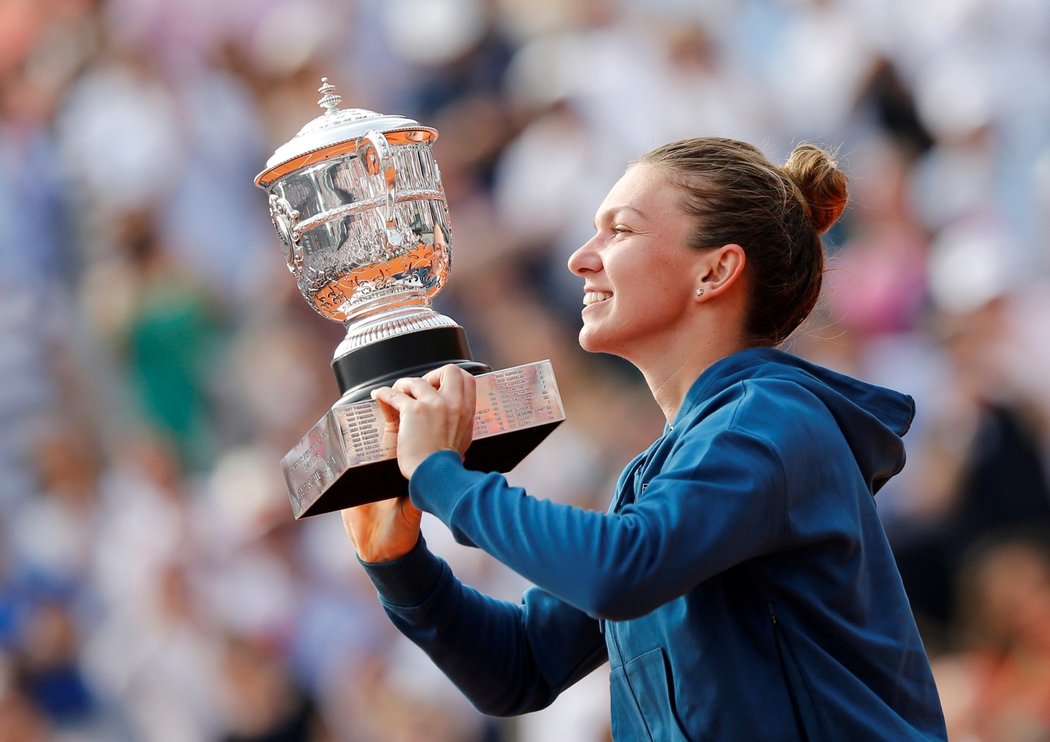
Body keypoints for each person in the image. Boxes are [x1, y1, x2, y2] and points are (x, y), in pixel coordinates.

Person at [341, 137, 948, 740]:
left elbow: (620, 569)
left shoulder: (770, 420)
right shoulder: (665, 470)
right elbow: (518, 666)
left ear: (715, 271)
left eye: (620, 231)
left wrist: (444, 477)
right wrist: (398, 565)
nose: (581, 257)